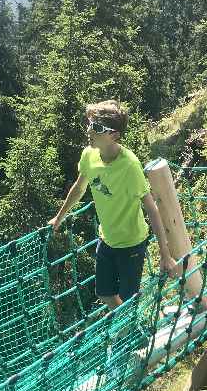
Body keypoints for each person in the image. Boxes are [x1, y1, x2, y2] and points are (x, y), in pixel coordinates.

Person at [48, 100, 180, 312]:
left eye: (98, 127)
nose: (90, 130)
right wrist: (60, 216)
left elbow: (151, 208)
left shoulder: (129, 165)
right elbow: (79, 187)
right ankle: (128, 327)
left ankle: (130, 335)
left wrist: (165, 254)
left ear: (115, 135)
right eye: (90, 123)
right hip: (107, 239)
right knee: (104, 293)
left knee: (128, 301)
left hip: (132, 244)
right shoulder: (89, 155)